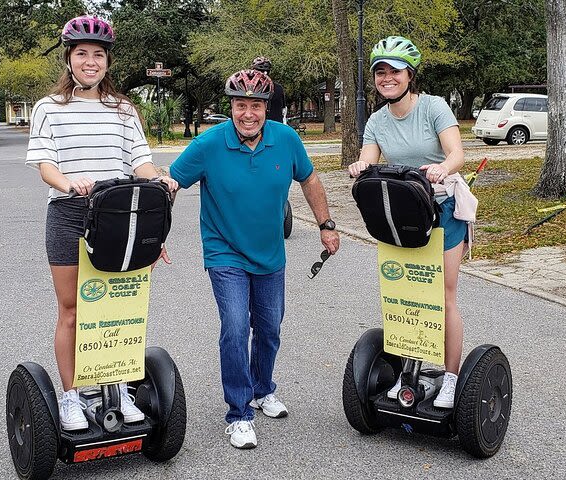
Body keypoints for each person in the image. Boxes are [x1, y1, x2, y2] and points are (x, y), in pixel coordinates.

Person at [168, 70, 340, 449]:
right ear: (231, 107)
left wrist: (325, 224)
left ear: (267, 108)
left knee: (270, 327)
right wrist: (155, 237)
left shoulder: (286, 139)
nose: (249, 113)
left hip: (270, 254)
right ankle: (239, 413)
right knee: (234, 326)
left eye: (256, 106)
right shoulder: (209, 144)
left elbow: (309, 179)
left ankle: (263, 390)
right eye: (241, 105)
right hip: (224, 251)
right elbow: (172, 184)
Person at [25, 15, 177, 431]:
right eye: (81, 54)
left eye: (97, 55)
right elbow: (45, 166)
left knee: (119, 308)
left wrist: (160, 179)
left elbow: (139, 163)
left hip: (115, 213)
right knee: (72, 308)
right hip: (69, 212)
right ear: (69, 59)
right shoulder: (48, 108)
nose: (90, 62)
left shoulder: (124, 109)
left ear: (106, 61)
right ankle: (71, 395)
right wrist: (68, 182)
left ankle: (120, 388)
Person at [347, 36, 467, 409]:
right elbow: (369, 157)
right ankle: (407, 371)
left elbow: (457, 152)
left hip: (443, 211)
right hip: (401, 216)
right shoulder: (377, 121)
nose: (387, 78)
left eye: (394, 71)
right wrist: (360, 166)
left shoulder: (433, 107)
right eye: (380, 72)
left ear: (409, 75)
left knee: (444, 298)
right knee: (403, 297)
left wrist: (443, 168)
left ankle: (449, 378)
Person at [251, 57, 287, 124]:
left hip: (258, 125)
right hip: (276, 125)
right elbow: (283, 110)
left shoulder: (251, 88)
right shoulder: (279, 88)